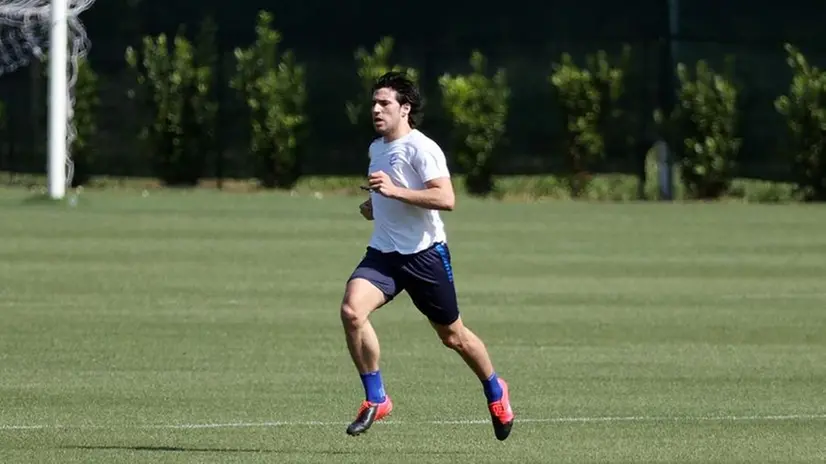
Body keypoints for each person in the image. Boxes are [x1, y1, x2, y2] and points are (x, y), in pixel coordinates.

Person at [340, 71, 514, 441]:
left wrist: (394, 191)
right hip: (384, 254)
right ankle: (377, 398)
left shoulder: (423, 148)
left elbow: (445, 199)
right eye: (374, 102)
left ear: (405, 109)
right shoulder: (376, 148)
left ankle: (496, 389)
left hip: (424, 257)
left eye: (384, 103)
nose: (376, 109)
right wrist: (375, 204)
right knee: (352, 311)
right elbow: (391, 194)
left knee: (454, 337)